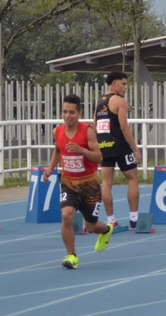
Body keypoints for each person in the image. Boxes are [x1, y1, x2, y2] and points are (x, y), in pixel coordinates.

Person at [45, 94, 113, 269]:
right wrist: (50, 168)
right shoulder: (57, 131)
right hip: (69, 182)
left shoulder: (87, 131)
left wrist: (81, 150)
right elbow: (58, 150)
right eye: (64, 112)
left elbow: (99, 156)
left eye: (71, 112)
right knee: (66, 215)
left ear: (79, 113)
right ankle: (71, 256)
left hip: (89, 184)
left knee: (91, 226)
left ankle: (106, 230)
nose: (67, 116)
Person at [94, 71, 141, 230]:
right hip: (120, 147)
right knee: (132, 179)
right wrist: (135, 149)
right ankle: (134, 220)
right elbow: (124, 127)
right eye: (123, 84)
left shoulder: (99, 102)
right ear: (114, 83)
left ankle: (111, 220)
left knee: (106, 184)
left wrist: (98, 145)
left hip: (104, 147)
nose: (126, 87)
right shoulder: (120, 101)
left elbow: (95, 126)